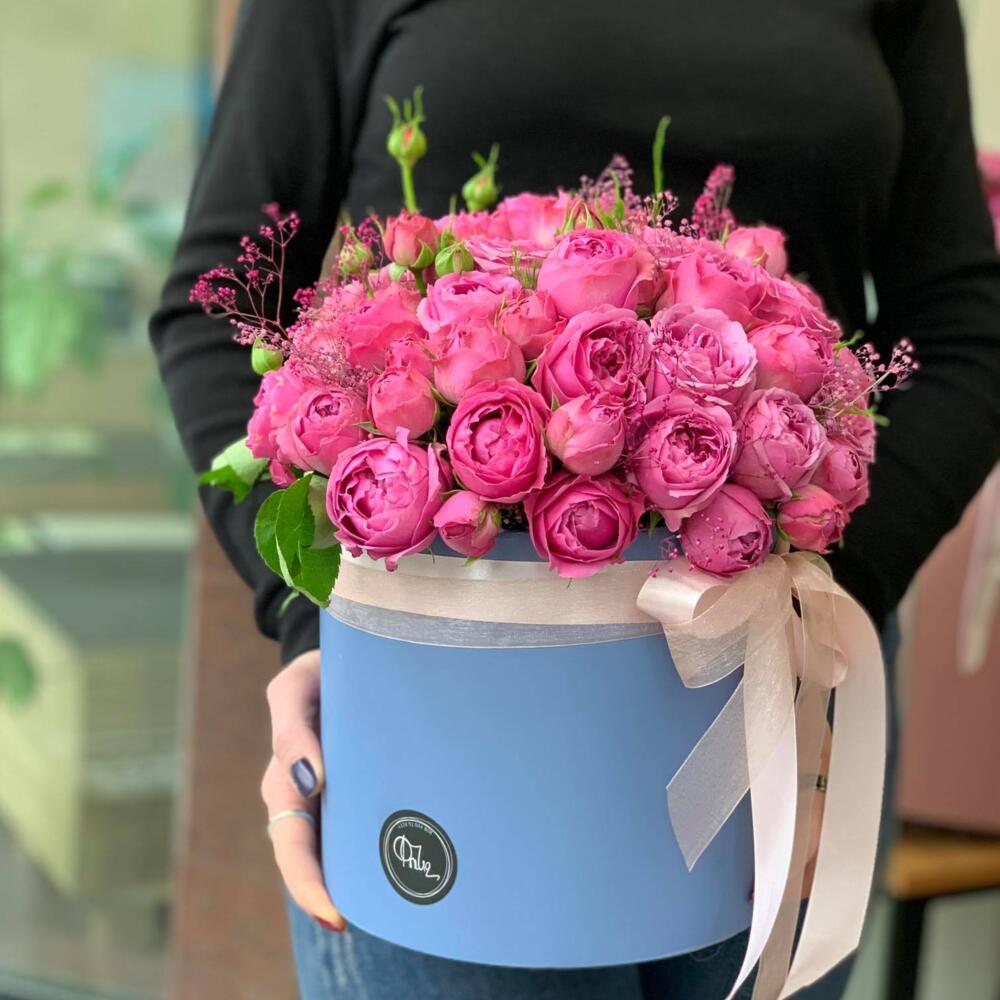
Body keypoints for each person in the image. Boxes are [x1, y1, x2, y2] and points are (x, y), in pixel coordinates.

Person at [150, 1, 1000, 997]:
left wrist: (827, 606)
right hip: (455, 698)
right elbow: (214, 306)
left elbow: (963, 321)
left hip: (783, 696)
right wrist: (312, 611)